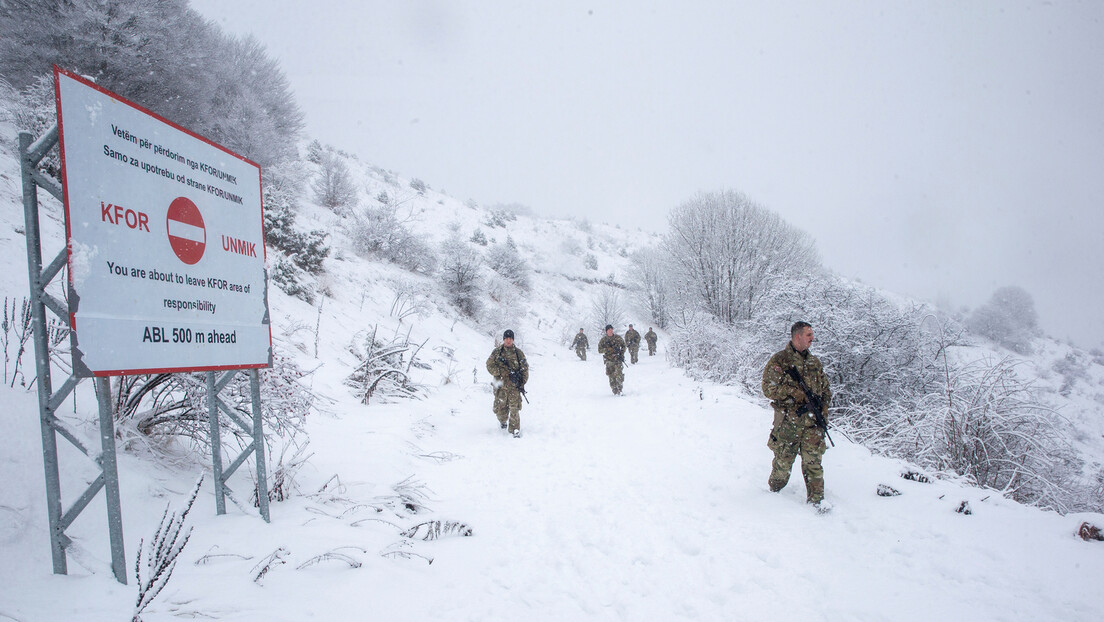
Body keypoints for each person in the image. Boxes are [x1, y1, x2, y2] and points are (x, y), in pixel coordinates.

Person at [762, 321, 832, 509]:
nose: (812, 338)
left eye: (812, 334)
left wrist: (823, 409)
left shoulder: (814, 363)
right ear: (797, 336)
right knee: (783, 465)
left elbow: (826, 389)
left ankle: (817, 502)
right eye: (808, 335)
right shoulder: (780, 361)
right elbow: (768, 389)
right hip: (789, 423)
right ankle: (772, 495)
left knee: (814, 464)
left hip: (813, 424)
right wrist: (793, 393)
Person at [486, 329, 529, 438]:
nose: (508, 341)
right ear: (504, 339)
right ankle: (503, 421)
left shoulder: (518, 353)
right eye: (506, 338)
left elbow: (525, 369)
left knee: (514, 409)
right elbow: (489, 365)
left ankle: (515, 430)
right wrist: (500, 372)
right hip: (500, 386)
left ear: (513, 340)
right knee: (500, 411)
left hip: (514, 387)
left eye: (510, 339)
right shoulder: (497, 352)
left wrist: (521, 382)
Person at [597, 324, 626, 395]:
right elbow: (600, 350)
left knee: (619, 374)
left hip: (617, 359)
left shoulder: (618, 338)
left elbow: (624, 346)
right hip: (609, 360)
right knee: (611, 376)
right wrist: (609, 349)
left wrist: (621, 354)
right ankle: (614, 390)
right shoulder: (604, 340)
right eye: (609, 330)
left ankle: (620, 389)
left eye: (611, 329)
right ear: (606, 331)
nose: (610, 331)